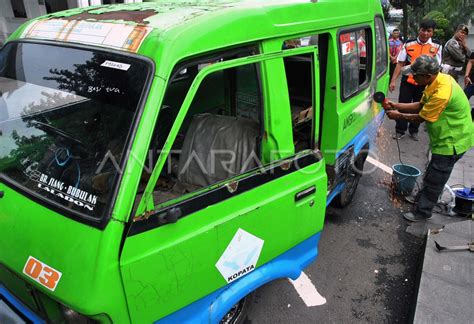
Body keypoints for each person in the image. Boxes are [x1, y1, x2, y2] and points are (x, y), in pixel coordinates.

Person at [384, 55, 473, 222]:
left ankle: (423, 211)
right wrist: (396, 105)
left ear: (427, 76)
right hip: (444, 139)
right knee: (432, 171)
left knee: (436, 178)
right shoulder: (438, 80)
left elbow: (420, 117)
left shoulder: (441, 93)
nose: (412, 77)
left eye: (415, 75)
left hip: (452, 141)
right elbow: (420, 104)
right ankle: (420, 200)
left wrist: (398, 115)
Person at [389, 19, 442, 141]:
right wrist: (393, 81)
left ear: (432, 32)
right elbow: (400, 63)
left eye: (429, 31)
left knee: (420, 106)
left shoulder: (437, 45)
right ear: (419, 29)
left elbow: (437, 67)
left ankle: (414, 130)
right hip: (408, 81)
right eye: (423, 30)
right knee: (403, 105)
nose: (425, 33)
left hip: (424, 83)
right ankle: (400, 130)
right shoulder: (408, 43)